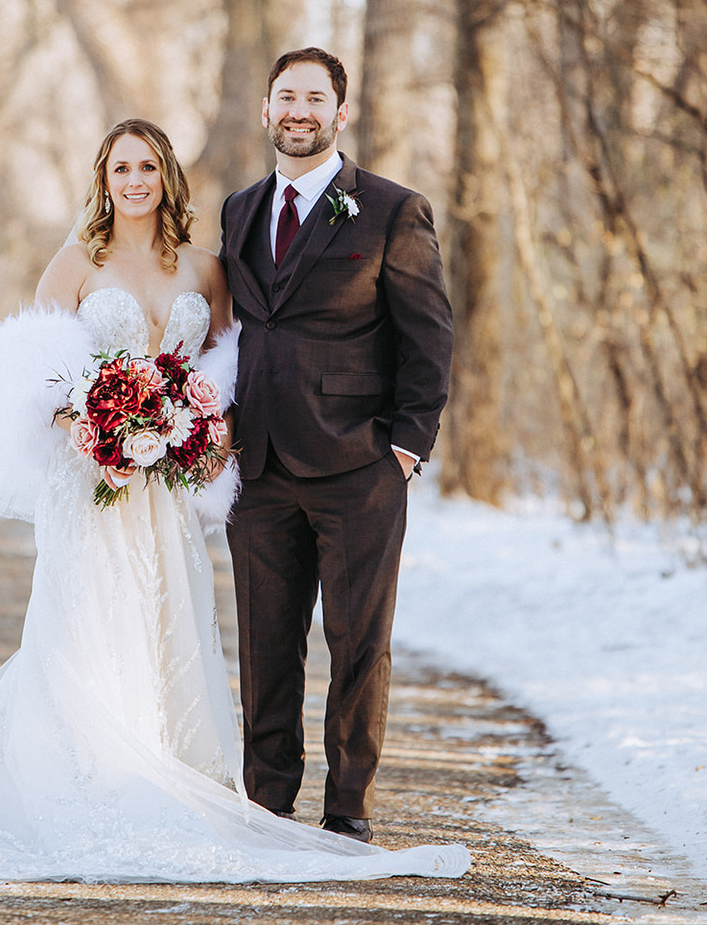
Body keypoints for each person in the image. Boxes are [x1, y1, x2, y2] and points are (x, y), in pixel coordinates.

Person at [0, 118, 467, 883]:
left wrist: (199, 432)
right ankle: (87, 780)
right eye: (120, 168)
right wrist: (90, 423)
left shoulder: (206, 268)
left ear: (167, 177)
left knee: (168, 624)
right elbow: (34, 376)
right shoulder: (77, 262)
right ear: (103, 181)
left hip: (166, 493)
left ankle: (171, 774)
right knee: (90, 627)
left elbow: (232, 369)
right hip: (95, 487)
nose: (134, 181)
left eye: (147, 167)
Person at [221, 49, 454, 844]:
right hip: (258, 465)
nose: (299, 110)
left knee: (358, 642)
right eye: (286, 95)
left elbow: (430, 336)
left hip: (360, 464)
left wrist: (406, 446)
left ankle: (347, 805)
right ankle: (267, 797)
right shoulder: (240, 209)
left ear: (340, 113)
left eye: (314, 98)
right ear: (266, 109)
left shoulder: (392, 209)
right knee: (264, 639)